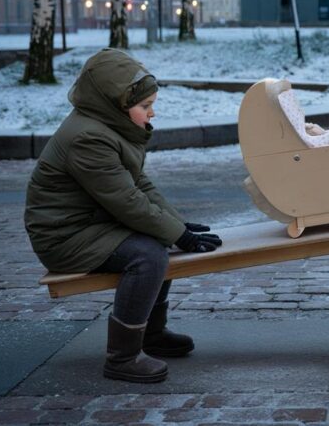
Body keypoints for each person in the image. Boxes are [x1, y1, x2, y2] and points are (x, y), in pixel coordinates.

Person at [25, 48, 223, 383]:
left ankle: (151, 334)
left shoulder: (108, 125)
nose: (152, 113)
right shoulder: (87, 137)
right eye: (145, 106)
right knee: (147, 256)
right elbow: (126, 200)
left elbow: (138, 182)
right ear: (117, 102)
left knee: (159, 238)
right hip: (64, 236)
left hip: (92, 223)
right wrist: (176, 232)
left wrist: (175, 225)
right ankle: (122, 357)